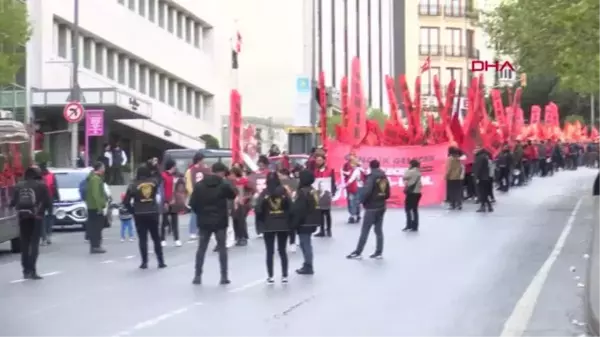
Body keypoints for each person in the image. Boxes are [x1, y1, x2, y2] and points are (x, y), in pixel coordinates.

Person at [190, 162, 237, 285]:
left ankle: (197, 276)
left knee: (201, 248)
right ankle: (223, 276)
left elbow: (193, 203)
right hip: (220, 220)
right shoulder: (223, 184)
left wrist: (201, 213)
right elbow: (233, 195)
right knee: (222, 248)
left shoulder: (199, 185)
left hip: (204, 220)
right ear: (221, 172)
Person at [10, 166, 52, 280]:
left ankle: (25, 270)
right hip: (36, 218)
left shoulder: (18, 186)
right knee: (34, 244)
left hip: (23, 217)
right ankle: (32, 270)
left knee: (24, 243)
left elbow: (12, 203)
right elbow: (48, 202)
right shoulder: (42, 186)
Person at [123, 166, 166, 269]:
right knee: (156, 238)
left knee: (143, 239)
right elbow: (161, 178)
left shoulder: (133, 185)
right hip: (153, 212)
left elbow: (126, 201)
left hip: (139, 214)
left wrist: (132, 211)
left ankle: (144, 262)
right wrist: (156, 167)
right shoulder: (154, 182)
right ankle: (160, 261)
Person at [347, 159, 390, 259]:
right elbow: (388, 193)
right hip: (382, 205)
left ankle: (358, 252)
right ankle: (379, 252)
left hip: (371, 207)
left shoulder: (371, 177)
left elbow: (367, 191)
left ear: (370, 167)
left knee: (365, 230)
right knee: (378, 230)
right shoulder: (384, 177)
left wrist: (361, 201)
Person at [255, 172, 292, 283]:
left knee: (269, 251)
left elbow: (258, 209)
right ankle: (284, 275)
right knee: (282, 250)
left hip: (268, 225)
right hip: (282, 224)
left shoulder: (264, 193)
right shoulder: (284, 192)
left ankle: (270, 276)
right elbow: (290, 207)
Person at [291, 170, 321, 275]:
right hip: (313, 220)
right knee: (306, 243)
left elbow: (299, 209)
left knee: (305, 243)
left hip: (304, 221)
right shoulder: (312, 190)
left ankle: (308, 265)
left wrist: (294, 223)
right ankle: (307, 264)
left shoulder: (302, 192)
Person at [184, 152, 210, 240]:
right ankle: (192, 231)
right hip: (195, 195)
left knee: (203, 214)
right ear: (199, 160)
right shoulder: (190, 171)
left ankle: (201, 230)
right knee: (194, 214)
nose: (204, 161)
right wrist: (194, 193)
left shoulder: (206, 169)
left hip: (205, 194)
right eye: (203, 160)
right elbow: (188, 184)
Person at [84, 162, 108, 254]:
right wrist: (99, 207)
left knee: (95, 226)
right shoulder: (95, 179)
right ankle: (95, 246)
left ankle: (95, 245)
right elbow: (96, 194)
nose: (104, 169)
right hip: (95, 207)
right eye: (103, 168)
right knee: (96, 227)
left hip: (92, 206)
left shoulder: (94, 178)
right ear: (100, 168)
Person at [313, 154, 336, 237]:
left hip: (327, 193)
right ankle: (322, 230)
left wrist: (333, 192)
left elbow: (333, 182)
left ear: (324, 160)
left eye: (320, 160)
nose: (318, 162)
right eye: (317, 160)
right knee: (320, 213)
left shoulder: (330, 170)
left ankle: (329, 230)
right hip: (318, 193)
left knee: (327, 212)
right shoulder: (315, 171)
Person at [161, 160, 182, 247]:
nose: (175, 168)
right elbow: (161, 190)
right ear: (171, 166)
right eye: (174, 166)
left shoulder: (175, 176)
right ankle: (162, 239)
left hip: (174, 201)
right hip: (166, 201)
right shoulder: (163, 176)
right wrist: (164, 201)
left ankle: (177, 239)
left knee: (175, 221)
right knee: (164, 221)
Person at [231, 166, 253, 246]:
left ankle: (243, 237)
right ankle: (237, 236)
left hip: (243, 203)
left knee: (241, 220)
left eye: (232, 173)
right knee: (235, 220)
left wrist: (245, 198)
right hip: (234, 203)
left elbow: (251, 191)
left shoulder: (244, 180)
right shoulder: (232, 182)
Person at [39, 162, 59, 245]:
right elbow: (55, 187)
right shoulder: (51, 175)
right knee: (50, 216)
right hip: (50, 198)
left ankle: (43, 238)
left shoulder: (38, 177)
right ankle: (49, 235)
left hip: (40, 199)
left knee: (41, 218)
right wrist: (57, 197)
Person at [402, 159, 422, 231]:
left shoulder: (410, 171)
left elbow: (404, 177)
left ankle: (409, 225)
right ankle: (415, 226)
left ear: (411, 165)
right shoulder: (418, 172)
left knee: (407, 209)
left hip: (411, 193)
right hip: (418, 193)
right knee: (415, 210)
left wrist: (408, 170)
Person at [473, 147, 494, 213]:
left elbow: (478, 168)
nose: (474, 151)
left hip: (481, 178)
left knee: (482, 193)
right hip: (485, 177)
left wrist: (476, 178)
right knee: (484, 193)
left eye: (476, 150)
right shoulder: (485, 156)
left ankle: (484, 207)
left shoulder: (479, 157)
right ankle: (488, 206)